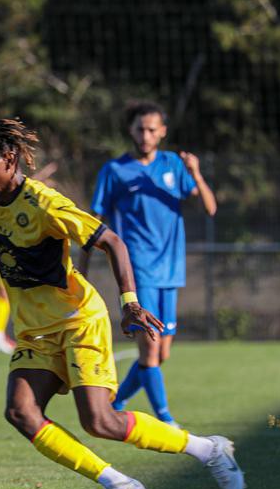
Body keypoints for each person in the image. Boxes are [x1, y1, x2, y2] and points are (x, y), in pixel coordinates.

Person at [0, 108, 243, 489]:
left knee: (100, 422)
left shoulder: (44, 204)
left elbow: (113, 242)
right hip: (34, 329)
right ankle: (119, 483)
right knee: (21, 413)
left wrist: (128, 303)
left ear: (10, 159)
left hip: (78, 322)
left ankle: (207, 449)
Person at [84, 101, 217, 426]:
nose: (145, 135)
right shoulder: (115, 171)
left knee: (161, 353)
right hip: (137, 270)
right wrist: (81, 265)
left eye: (152, 129)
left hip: (170, 270)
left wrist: (195, 173)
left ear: (162, 132)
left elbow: (210, 209)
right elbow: (94, 221)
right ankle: (165, 418)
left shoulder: (173, 164)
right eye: (140, 129)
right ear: (131, 130)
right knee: (150, 353)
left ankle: (116, 400)